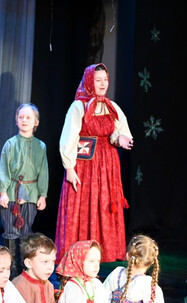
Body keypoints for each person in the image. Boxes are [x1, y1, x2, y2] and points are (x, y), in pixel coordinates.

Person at [56, 63, 133, 263]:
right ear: (90, 81)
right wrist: (69, 167)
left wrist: (120, 139)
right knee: (81, 205)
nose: (102, 84)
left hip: (107, 165)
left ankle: (104, 252)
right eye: (98, 80)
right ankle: (77, 254)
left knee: (104, 204)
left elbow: (119, 131)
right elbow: (69, 137)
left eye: (105, 80)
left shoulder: (111, 106)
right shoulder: (79, 106)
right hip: (84, 165)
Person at [0, 104, 48, 274]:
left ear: (36, 122)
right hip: (12, 193)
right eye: (21, 117)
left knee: (26, 231)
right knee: (11, 231)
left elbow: (43, 172)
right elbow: (4, 169)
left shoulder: (40, 146)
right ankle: (11, 270)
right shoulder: (10, 144)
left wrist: (43, 195)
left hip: (31, 194)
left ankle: (24, 269)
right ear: (16, 120)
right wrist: (3, 192)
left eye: (28, 117)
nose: (24, 120)